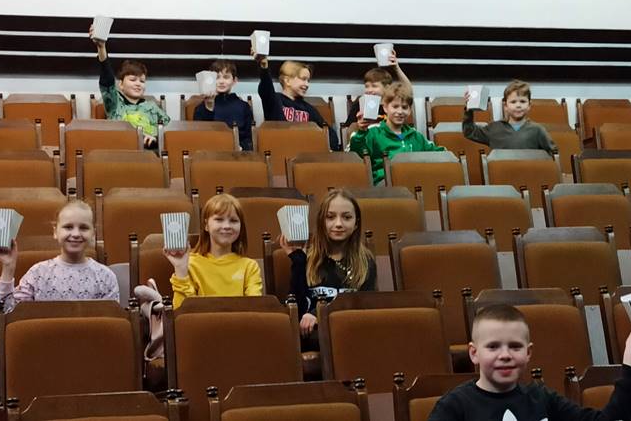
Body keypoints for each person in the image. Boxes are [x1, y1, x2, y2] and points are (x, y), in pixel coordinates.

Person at [428, 304, 631, 421]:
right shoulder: (454, 407)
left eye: (515, 346)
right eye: (493, 346)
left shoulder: (542, 398)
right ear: (473, 353)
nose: (505, 355)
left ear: (528, 353)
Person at [280, 189, 377, 348]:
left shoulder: (366, 261)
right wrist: (297, 261)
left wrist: (318, 313)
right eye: (330, 217)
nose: (338, 224)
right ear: (321, 221)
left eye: (347, 217)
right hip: (313, 336)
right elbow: (296, 307)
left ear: (356, 223)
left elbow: (365, 307)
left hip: (352, 333)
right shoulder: (307, 259)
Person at [0, 201, 119, 313]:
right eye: (68, 227)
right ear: (55, 231)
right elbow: (5, 314)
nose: (76, 234)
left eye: (84, 228)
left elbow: (110, 324)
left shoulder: (105, 276)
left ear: (93, 234)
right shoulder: (38, 273)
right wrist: (8, 266)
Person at [168, 193, 262, 308]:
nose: (227, 226)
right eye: (219, 219)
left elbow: (255, 308)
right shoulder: (189, 264)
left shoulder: (249, 266)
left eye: (233, 221)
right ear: (206, 225)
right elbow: (182, 311)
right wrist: (180, 269)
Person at [89, 24, 170, 150]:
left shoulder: (152, 107)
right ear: (121, 84)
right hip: (121, 151)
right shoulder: (115, 103)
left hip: (150, 153)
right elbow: (107, 80)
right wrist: (101, 47)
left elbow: (169, 132)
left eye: (142, 81)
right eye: (133, 80)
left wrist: (156, 138)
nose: (138, 84)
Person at [349, 82, 445, 184]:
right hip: (385, 185)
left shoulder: (415, 136)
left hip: (413, 183)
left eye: (404, 107)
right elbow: (356, 153)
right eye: (395, 106)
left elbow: (439, 153)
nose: (400, 111)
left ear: (410, 110)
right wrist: (361, 132)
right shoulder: (373, 132)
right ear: (385, 108)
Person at [252, 49, 340, 150]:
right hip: (280, 151)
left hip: (304, 153)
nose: (307, 84)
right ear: (287, 81)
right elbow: (266, 87)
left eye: (308, 80)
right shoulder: (274, 100)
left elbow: (330, 135)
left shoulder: (308, 109)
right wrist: (264, 67)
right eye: (303, 79)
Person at [462, 80, 556, 153]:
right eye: (513, 102)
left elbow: (554, 154)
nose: (518, 105)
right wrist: (469, 110)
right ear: (505, 106)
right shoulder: (494, 128)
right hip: (502, 172)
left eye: (522, 101)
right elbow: (469, 132)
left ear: (529, 105)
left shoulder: (537, 130)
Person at [343, 48, 413, 128]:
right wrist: (358, 125)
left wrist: (396, 68)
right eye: (367, 86)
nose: (369, 90)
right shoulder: (360, 102)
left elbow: (408, 91)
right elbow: (347, 129)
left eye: (374, 86)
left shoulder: (393, 102)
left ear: (387, 88)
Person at [193, 59, 255, 150]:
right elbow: (199, 137)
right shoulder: (200, 108)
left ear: (234, 81)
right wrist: (209, 106)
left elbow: (250, 138)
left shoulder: (243, 107)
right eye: (217, 77)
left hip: (238, 153)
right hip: (211, 153)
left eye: (226, 77)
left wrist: (241, 147)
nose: (221, 81)